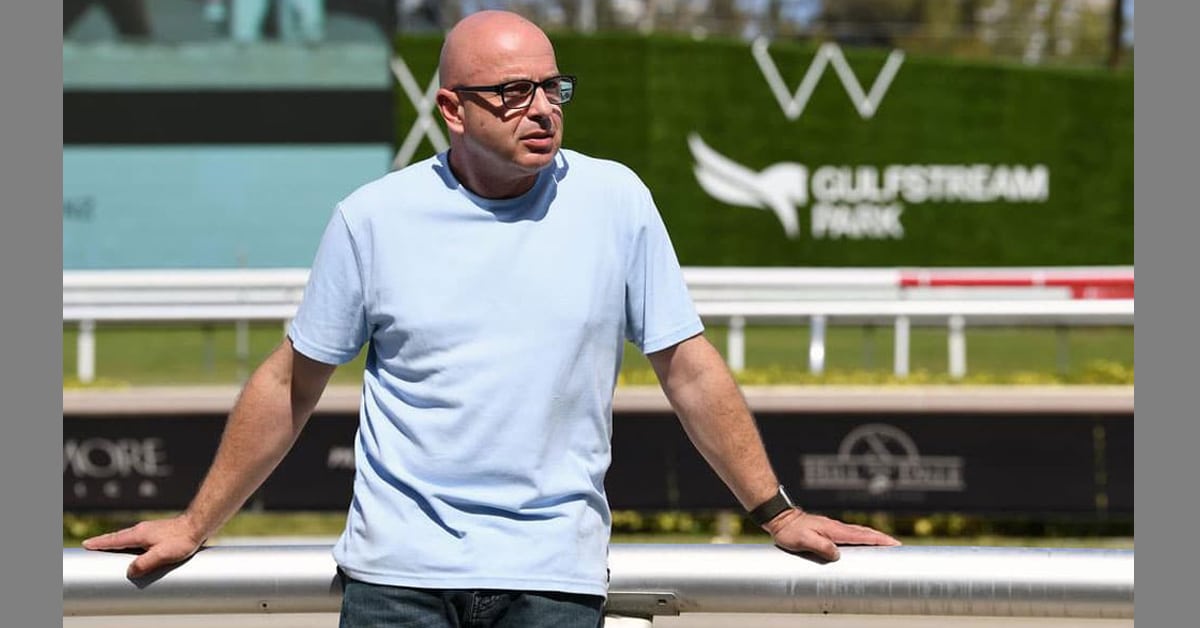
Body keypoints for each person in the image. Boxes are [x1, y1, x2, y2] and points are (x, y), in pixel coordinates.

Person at [83, 10, 900, 626]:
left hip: (554, 579)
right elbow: (291, 385)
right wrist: (195, 524)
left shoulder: (617, 200)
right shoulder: (372, 217)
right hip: (395, 582)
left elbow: (687, 366)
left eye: (553, 88)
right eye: (513, 93)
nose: (542, 109)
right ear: (452, 110)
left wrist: (777, 512)